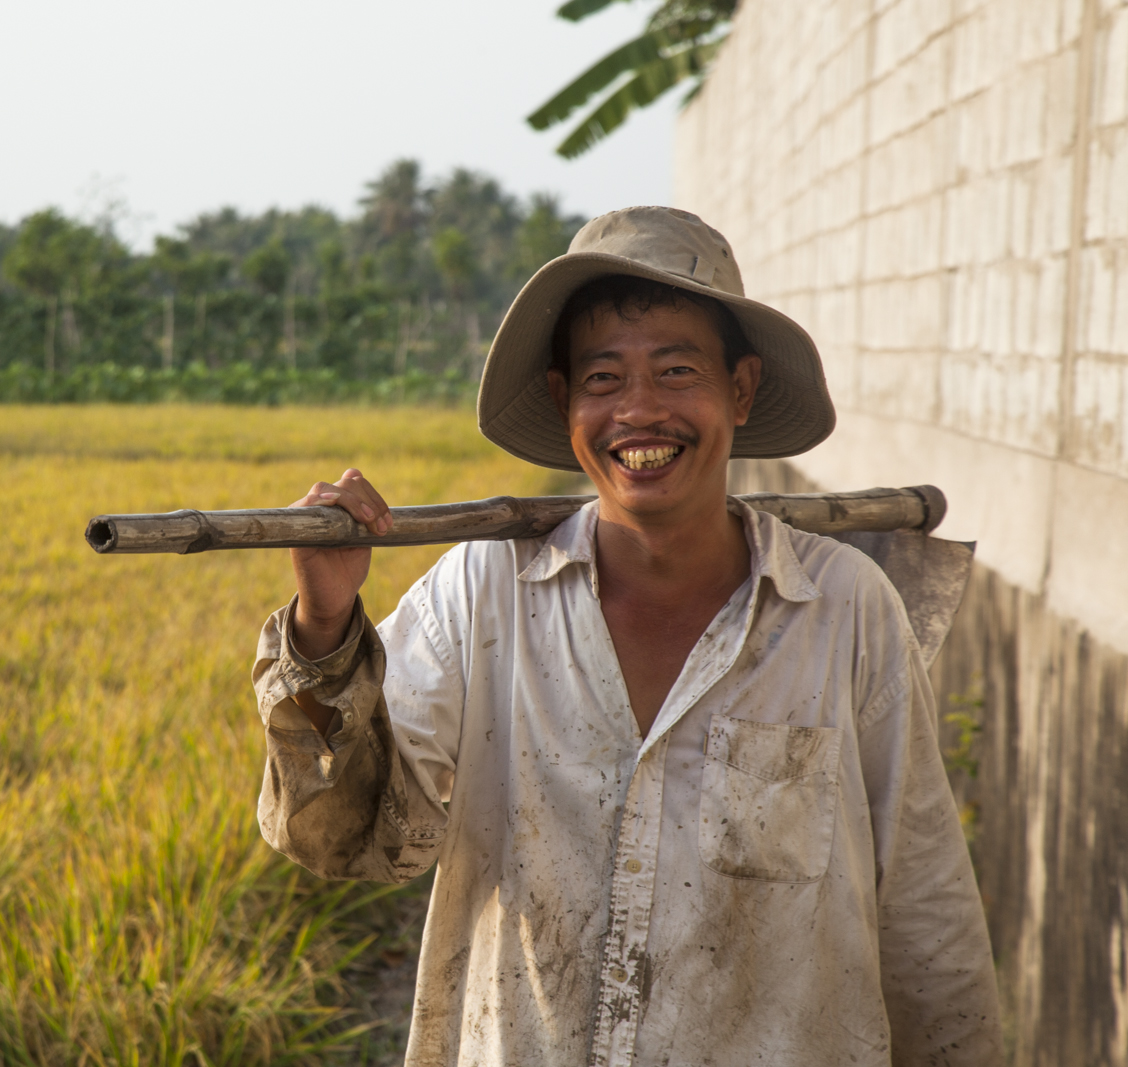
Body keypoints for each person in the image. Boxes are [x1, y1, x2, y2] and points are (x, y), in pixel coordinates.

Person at [251, 207, 1001, 1066]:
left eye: (677, 370)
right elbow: (350, 840)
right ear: (564, 401)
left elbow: (923, 911)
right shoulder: (485, 593)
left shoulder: (843, 609)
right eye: (603, 380)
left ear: (742, 389)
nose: (640, 412)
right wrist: (323, 623)